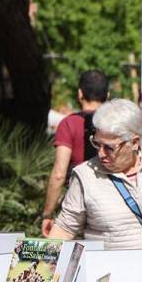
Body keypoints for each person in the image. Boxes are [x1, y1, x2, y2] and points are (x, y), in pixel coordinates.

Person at [48, 99, 142, 282]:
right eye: (96, 144)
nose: (100, 153)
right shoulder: (85, 175)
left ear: (134, 142)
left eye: (109, 147)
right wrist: (40, 267)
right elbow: (65, 227)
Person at [42, 70, 109, 236]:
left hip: (77, 203)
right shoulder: (114, 126)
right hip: (109, 204)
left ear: (80, 94)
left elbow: (59, 173)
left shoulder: (68, 124)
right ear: (107, 95)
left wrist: (48, 213)